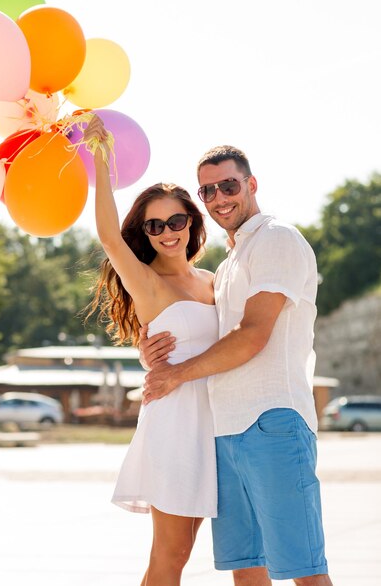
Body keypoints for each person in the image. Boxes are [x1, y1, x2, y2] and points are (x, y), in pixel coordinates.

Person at [141, 145, 333, 586]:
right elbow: (193, 328)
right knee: (246, 569)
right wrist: (151, 350)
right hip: (224, 432)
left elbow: (253, 334)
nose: (219, 197)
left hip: (273, 422)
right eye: (207, 191)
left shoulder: (277, 239)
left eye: (228, 185)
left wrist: (175, 375)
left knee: (305, 570)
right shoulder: (228, 264)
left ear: (251, 184)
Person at [82, 115, 220, 586]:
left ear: (192, 221)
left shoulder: (215, 281)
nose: (167, 231)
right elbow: (106, 235)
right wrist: (100, 156)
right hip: (175, 426)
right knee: (172, 554)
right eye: (155, 224)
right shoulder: (147, 282)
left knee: (192, 552)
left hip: (221, 426)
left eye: (176, 220)